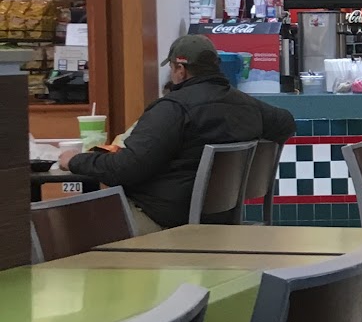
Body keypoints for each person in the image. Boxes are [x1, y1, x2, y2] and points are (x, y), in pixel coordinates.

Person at [61, 33, 295, 233]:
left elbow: (125, 168)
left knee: (74, 225)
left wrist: (75, 160)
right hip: (221, 218)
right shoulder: (247, 105)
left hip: (165, 219)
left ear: (180, 70)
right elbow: (286, 123)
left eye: (172, 68)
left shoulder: (173, 108)